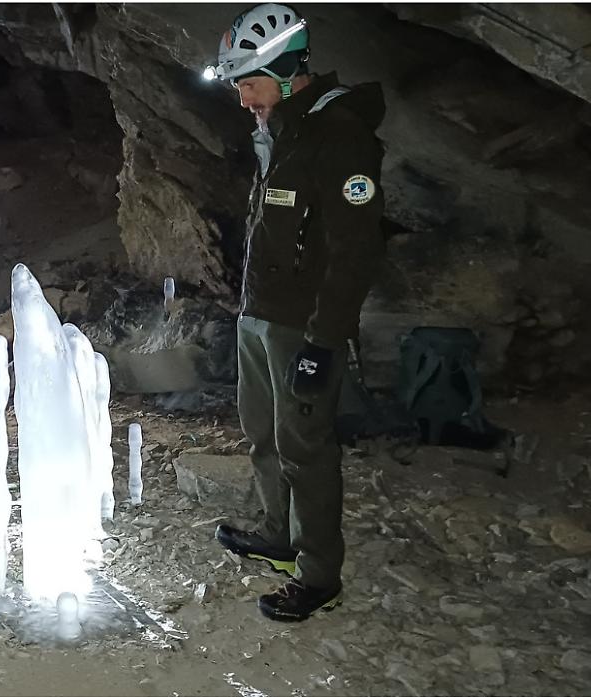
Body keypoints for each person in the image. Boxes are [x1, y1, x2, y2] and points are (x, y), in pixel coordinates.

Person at [206, 3, 386, 621]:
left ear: (287, 74)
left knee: (304, 446)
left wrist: (324, 340)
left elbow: (356, 250)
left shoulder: (340, 136)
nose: (242, 100)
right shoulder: (281, 130)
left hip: (303, 325)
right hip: (260, 314)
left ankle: (318, 575)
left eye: (249, 84)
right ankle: (278, 536)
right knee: (262, 432)